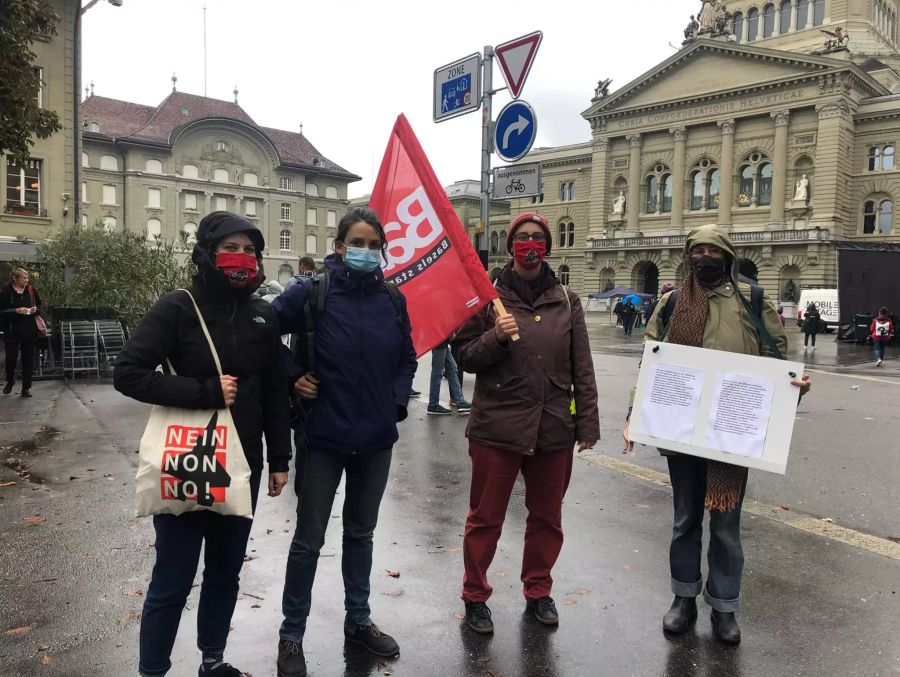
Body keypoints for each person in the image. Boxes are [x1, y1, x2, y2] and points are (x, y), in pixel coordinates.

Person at [113, 212, 292, 677]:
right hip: (188, 460)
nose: (244, 258)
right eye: (233, 247)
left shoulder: (263, 313)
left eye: (252, 250)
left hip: (244, 465)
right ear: (208, 253)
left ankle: (213, 659)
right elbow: (128, 373)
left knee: (225, 572)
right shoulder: (179, 306)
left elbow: (274, 387)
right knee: (173, 577)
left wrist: (279, 458)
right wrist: (205, 392)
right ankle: (153, 669)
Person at [623, 224, 810, 646]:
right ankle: (683, 598)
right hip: (681, 429)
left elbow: (776, 360)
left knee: (726, 524)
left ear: (727, 255)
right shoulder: (671, 303)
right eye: (696, 250)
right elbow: (650, 362)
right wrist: (636, 412)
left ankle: (724, 606)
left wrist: (794, 387)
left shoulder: (753, 300)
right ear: (688, 256)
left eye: (712, 250)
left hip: (732, 430)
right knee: (685, 518)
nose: (703, 257)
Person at [273, 207, 416, 677]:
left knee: (360, 534)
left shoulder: (392, 300)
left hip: (375, 439)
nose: (367, 252)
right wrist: (294, 375)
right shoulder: (312, 292)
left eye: (375, 246)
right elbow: (262, 331)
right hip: (323, 436)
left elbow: (406, 359)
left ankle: (359, 621)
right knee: (308, 540)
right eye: (358, 243)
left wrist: (395, 404)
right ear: (339, 246)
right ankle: (292, 635)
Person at [454, 211, 600, 635]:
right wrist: (495, 336)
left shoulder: (567, 300)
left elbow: (582, 368)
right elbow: (464, 357)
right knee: (485, 519)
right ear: (510, 246)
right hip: (496, 429)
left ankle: (538, 590)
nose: (530, 244)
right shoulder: (487, 297)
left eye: (538, 238)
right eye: (523, 238)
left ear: (548, 246)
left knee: (546, 518)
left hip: (553, 427)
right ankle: (475, 595)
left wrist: (586, 424)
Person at [0, 268, 41, 398]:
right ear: (16, 279)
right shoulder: (6, 291)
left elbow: (40, 305)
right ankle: (10, 381)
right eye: (24, 278)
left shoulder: (31, 290)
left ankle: (26, 388)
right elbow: (1, 311)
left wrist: (35, 309)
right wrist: (16, 311)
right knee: (11, 358)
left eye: (27, 278)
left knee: (28, 360)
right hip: (12, 330)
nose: (26, 280)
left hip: (29, 330)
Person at [427, 337, 471, 415]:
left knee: (452, 368)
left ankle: (460, 401)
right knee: (438, 371)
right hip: (439, 341)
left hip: (442, 341)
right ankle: (433, 404)